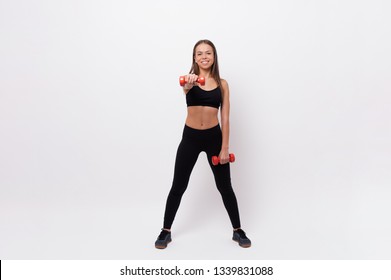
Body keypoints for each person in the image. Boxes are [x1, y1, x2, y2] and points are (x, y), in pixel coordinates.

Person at [155, 39, 251, 249]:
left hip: (213, 138)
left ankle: (237, 230)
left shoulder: (223, 84)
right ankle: (166, 231)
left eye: (208, 53)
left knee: (225, 186)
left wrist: (224, 148)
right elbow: (186, 88)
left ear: (214, 57)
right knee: (178, 186)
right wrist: (189, 82)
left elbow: (225, 118)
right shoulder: (190, 80)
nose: (204, 56)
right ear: (194, 58)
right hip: (190, 138)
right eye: (199, 53)